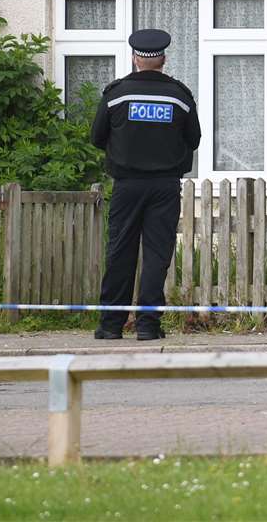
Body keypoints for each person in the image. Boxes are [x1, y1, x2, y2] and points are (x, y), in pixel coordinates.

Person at [91, 28, 201, 341]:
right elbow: (193, 139)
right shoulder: (179, 96)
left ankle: (111, 325)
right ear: (163, 59)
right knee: (156, 256)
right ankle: (148, 326)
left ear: (135, 58)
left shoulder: (116, 94)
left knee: (120, 251)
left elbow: (97, 137)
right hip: (165, 187)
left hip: (127, 186)